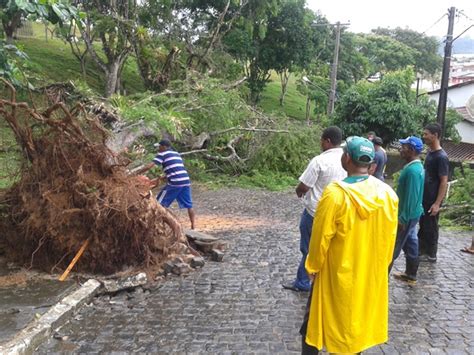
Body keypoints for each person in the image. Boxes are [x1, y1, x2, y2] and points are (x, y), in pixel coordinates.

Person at [300, 136, 398, 354]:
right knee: (355, 326)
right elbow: (390, 238)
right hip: (368, 272)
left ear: (346, 159)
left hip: (336, 273)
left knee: (313, 324)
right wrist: (381, 268)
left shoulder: (335, 194)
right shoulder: (388, 195)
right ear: (371, 165)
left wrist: (312, 267)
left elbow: (320, 238)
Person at [282, 126, 346, 292]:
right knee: (331, 249)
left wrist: (299, 192)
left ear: (328, 141)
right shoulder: (347, 159)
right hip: (338, 213)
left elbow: (304, 186)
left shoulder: (319, 161)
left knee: (308, 248)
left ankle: (303, 281)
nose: (321, 143)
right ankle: (326, 283)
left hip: (315, 213)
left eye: (322, 140)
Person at [137, 139, 196, 230]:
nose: (158, 148)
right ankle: (193, 227)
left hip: (175, 183)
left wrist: (136, 173)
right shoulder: (176, 154)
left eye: (159, 147)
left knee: (158, 203)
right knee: (189, 205)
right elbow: (176, 169)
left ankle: (158, 225)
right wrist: (163, 177)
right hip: (185, 181)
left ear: (164, 147)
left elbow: (149, 166)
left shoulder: (162, 154)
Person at [389, 136, 425, 284]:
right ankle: (411, 274)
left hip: (407, 215)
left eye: (403, 147)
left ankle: (381, 278)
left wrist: (402, 218)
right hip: (414, 213)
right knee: (411, 242)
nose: (400, 149)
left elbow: (411, 196)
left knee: (393, 247)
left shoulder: (412, 171)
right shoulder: (417, 167)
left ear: (411, 150)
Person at [418, 123, 449, 262]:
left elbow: (443, 181)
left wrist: (437, 203)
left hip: (433, 198)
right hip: (425, 196)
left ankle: (431, 254)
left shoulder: (441, 157)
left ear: (435, 135)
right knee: (423, 224)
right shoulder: (430, 153)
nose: (424, 136)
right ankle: (421, 250)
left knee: (431, 226)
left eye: (426, 134)